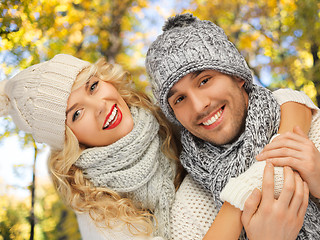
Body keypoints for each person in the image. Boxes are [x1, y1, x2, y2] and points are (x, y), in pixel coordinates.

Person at [0, 54, 309, 240]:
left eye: (93, 86)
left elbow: (278, 102)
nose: (100, 106)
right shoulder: (100, 213)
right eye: (76, 114)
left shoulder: (162, 116)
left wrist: (279, 160)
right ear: (68, 140)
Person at [145, 13, 320, 239]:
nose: (199, 106)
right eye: (179, 99)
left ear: (237, 76)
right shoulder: (189, 210)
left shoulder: (311, 132)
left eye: (204, 80)